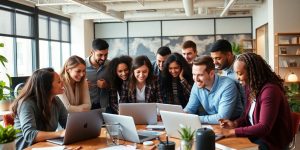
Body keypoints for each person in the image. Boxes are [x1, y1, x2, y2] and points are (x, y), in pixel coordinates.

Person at [219, 53, 293, 150]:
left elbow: (264, 127)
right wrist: (235, 124)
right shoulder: (252, 88)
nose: (237, 78)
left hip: (271, 142)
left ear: (252, 72)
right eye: (236, 73)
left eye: (240, 73)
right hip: (257, 137)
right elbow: (247, 117)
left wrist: (232, 132)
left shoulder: (270, 91)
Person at [11, 68, 67, 150]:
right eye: (59, 82)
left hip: (47, 146)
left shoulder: (56, 100)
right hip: (28, 148)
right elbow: (30, 135)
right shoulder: (26, 104)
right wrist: (60, 133)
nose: (63, 83)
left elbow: (67, 123)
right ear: (46, 86)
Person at [184, 55, 243, 124]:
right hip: (213, 124)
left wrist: (194, 118)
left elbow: (222, 117)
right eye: (194, 74)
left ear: (211, 73)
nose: (196, 79)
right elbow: (190, 109)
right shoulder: (197, 85)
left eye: (200, 75)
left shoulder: (227, 85)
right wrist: (181, 115)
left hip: (233, 125)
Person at [210, 39, 246, 107]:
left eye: (218, 58)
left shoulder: (243, 63)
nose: (214, 62)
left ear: (229, 55)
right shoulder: (224, 69)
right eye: (213, 59)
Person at [85, 38, 110, 110]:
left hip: (104, 106)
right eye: (100, 55)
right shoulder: (81, 65)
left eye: (106, 55)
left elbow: (115, 85)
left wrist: (106, 85)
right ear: (92, 52)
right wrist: (82, 86)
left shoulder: (110, 65)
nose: (103, 58)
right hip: (87, 106)